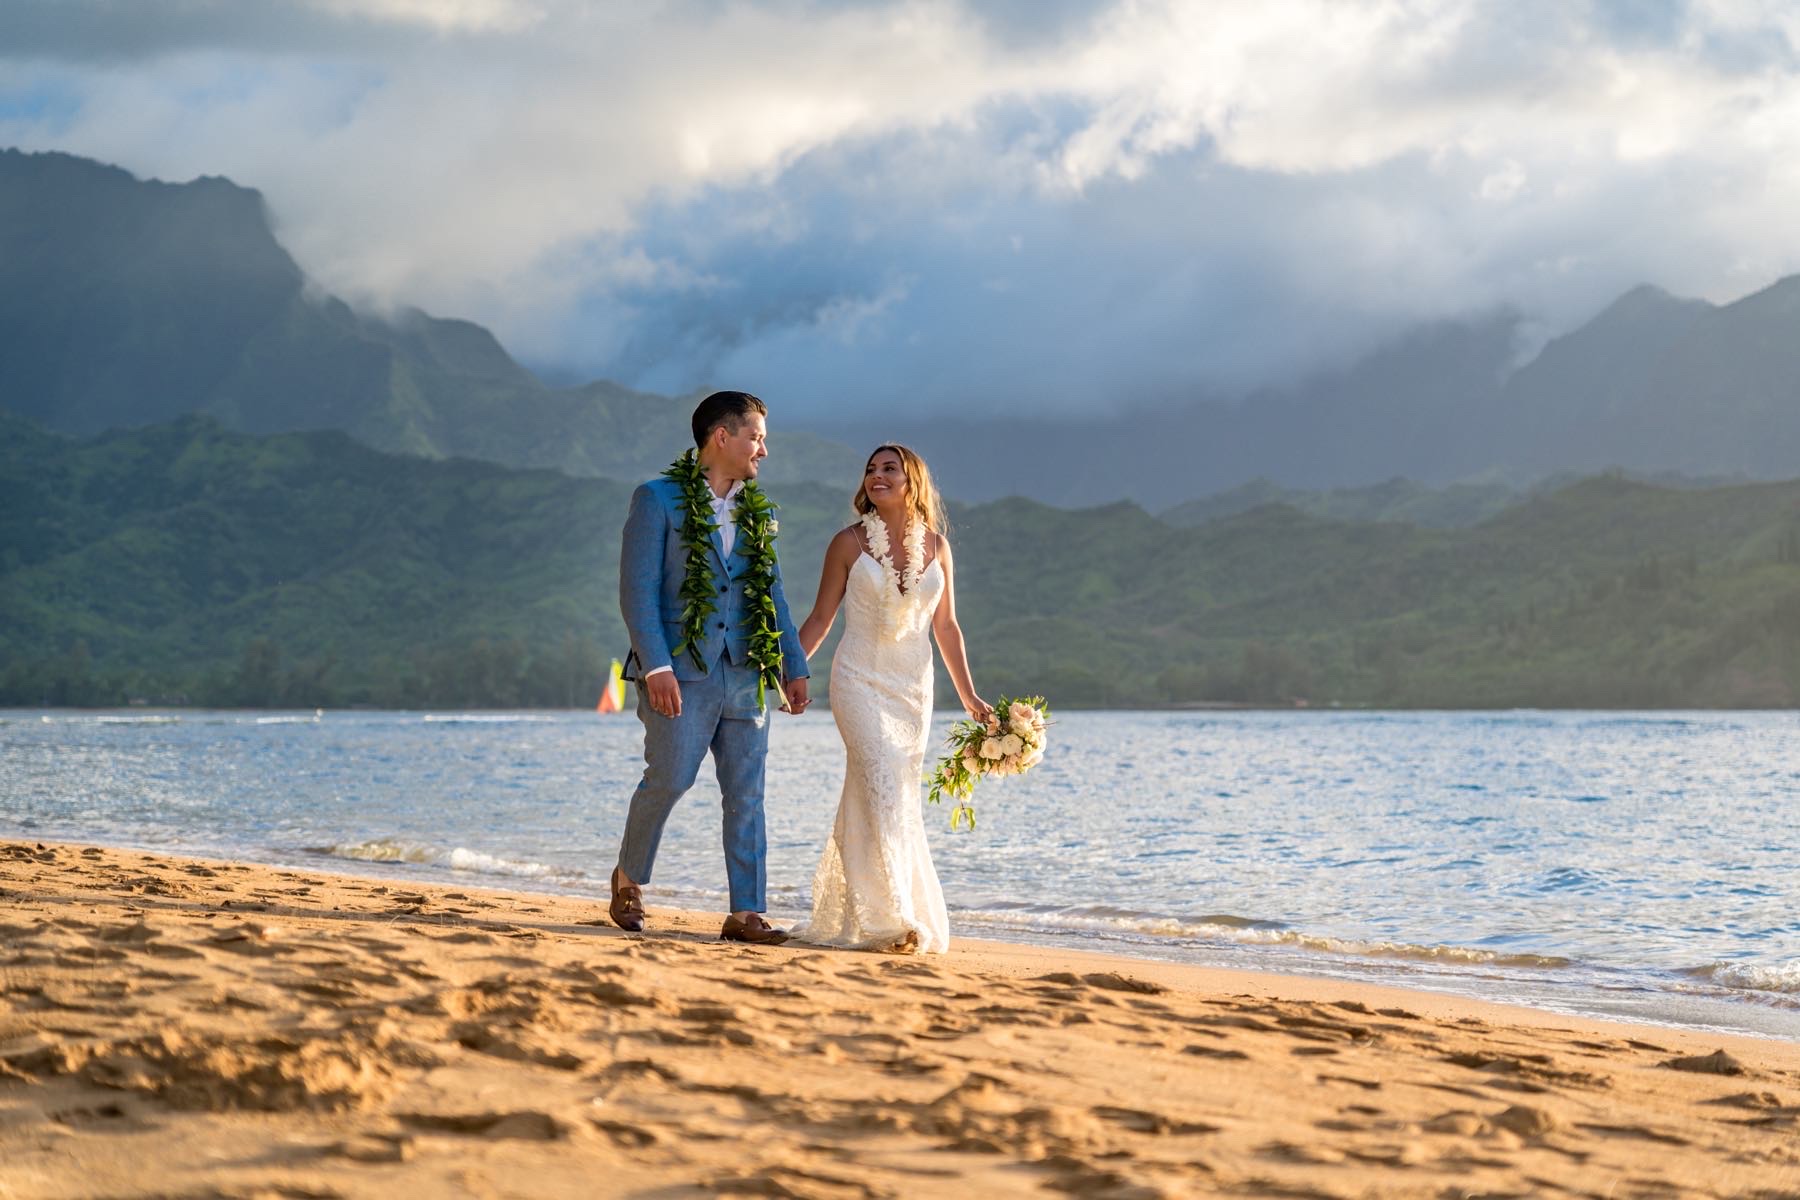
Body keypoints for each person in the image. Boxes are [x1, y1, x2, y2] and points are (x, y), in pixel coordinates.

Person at [609, 391, 810, 946]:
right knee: (670, 778)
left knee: (747, 793)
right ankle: (628, 878)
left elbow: (773, 594)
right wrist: (656, 667)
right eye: (756, 437)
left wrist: (793, 666)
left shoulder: (760, 512)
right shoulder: (657, 499)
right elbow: (637, 591)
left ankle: (746, 912)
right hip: (679, 671)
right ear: (722, 437)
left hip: (746, 670)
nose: (763, 450)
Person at [794, 444, 990, 953]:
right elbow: (821, 618)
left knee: (894, 795)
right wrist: (793, 670)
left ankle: (877, 911)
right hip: (857, 679)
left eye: (888, 469)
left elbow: (947, 627)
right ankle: (892, 918)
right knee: (880, 778)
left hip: (912, 690)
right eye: (870, 469)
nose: (876, 476)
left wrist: (969, 696)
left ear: (912, 481)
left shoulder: (939, 547)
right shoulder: (846, 543)